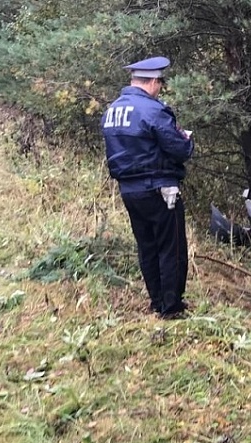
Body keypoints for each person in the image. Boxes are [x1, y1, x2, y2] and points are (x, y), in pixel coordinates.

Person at [101, 56, 194, 318]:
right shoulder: (153, 110)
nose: (160, 89)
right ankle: (171, 308)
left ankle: (156, 301)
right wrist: (186, 140)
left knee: (147, 246)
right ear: (153, 81)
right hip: (160, 189)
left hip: (129, 191)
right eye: (160, 83)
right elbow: (179, 149)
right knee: (171, 247)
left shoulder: (112, 111)